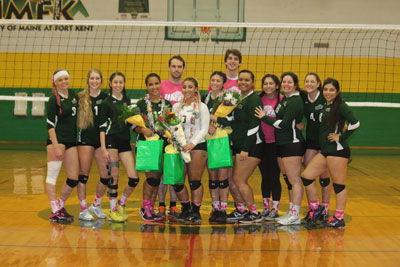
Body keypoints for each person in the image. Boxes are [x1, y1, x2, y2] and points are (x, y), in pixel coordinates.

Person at [301, 78, 360, 228]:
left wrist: (341, 136)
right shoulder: (326, 105)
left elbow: (355, 123)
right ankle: (316, 209)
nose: (328, 92)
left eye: (331, 90)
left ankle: (339, 218)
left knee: (339, 185)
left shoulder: (340, 105)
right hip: (326, 151)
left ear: (337, 92)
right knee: (307, 176)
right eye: (326, 90)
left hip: (337, 151)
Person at [255, 72, 305, 225]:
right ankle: (291, 212)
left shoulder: (294, 100)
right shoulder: (286, 100)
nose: (286, 84)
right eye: (284, 82)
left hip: (292, 143)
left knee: (294, 180)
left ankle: (294, 214)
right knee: (288, 179)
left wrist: (264, 118)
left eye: (289, 82)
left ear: (295, 84)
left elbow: (283, 123)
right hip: (280, 143)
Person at [215, 70, 265, 223]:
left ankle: (254, 213)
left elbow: (254, 126)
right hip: (238, 145)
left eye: (247, 80)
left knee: (239, 179)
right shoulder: (239, 99)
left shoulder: (254, 99)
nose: (243, 82)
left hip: (251, 146)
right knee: (232, 179)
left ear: (253, 83)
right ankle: (241, 210)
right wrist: (216, 118)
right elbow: (234, 122)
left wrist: (245, 148)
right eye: (241, 80)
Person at [99, 72, 140, 222]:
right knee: (113, 176)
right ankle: (113, 210)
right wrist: (103, 148)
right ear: (110, 84)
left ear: (123, 84)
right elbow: (102, 127)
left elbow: (130, 123)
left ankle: (122, 202)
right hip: (111, 140)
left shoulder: (127, 101)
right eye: (115, 82)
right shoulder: (105, 103)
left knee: (134, 178)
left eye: (120, 82)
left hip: (124, 141)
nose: (118, 85)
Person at [172, 77, 210, 223]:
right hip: (180, 146)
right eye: (185, 87)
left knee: (194, 181)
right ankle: (186, 208)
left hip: (197, 146)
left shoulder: (202, 107)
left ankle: (196, 212)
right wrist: (174, 139)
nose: (187, 90)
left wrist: (192, 143)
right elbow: (172, 127)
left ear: (195, 89)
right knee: (177, 181)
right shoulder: (176, 107)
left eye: (190, 87)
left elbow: (204, 129)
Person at [135, 73, 172, 222]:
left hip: (163, 145)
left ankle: (151, 208)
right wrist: (143, 130)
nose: (154, 87)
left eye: (156, 83)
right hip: (147, 144)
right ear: (147, 87)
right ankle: (144, 208)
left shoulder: (167, 103)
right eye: (151, 84)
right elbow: (133, 125)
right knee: (151, 178)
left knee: (157, 178)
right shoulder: (141, 104)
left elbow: (172, 123)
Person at [46, 69, 79, 223]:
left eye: (66, 79)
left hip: (71, 140)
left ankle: (59, 206)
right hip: (57, 141)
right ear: (55, 82)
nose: (64, 82)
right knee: (52, 177)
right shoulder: (53, 100)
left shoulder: (72, 94)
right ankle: (54, 211)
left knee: (73, 178)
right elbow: (50, 125)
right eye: (60, 80)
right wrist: (56, 146)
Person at [76, 68, 109, 221]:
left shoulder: (106, 97)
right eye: (92, 78)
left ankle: (95, 205)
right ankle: (83, 209)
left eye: (97, 78)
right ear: (88, 80)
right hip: (85, 140)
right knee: (83, 176)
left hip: (101, 141)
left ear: (101, 81)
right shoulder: (80, 97)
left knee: (106, 176)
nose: (94, 81)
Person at [157, 55, 186, 219]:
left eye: (179, 66)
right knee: (162, 173)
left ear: (183, 68)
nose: (176, 69)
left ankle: (174, 205)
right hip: (163, 135)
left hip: (180, 136)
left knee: (176, 172)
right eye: (173, 66)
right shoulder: (161, 86)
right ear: (169, 68)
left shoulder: (187, 86)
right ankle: (161, 204)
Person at [301, 73, 331, 224]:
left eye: (313, 81)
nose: (309, 84)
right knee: (307, 174)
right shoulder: (304, 98)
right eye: (307, 81)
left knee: (324, 178)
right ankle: (313, 207)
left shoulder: (325, 98)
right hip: (311, 140)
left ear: (318, 84)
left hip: (324, 142)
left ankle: (324, 210)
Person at [202, 71, 230, 223]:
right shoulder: (205, 98)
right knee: (212, 176)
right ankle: (215, 207)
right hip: (208, 139)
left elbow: (230, 119)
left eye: (218, 81)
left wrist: (216, 123)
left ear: (223, 83)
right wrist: (207, 127)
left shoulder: (227, 99)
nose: (215, 83)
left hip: (222, 139)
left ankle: (223, 208)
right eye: (213, 80)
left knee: (222, 177)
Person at [257, 74, 283, 221]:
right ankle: (266, 208)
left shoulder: (282, 100)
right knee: (264, 176)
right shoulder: (258, 99)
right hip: (261, 142)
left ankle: (275, 208)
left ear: (277, 86)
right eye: (265, 83)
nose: (268, 86)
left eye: (271, 83)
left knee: (275, 176)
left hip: (275, 143)